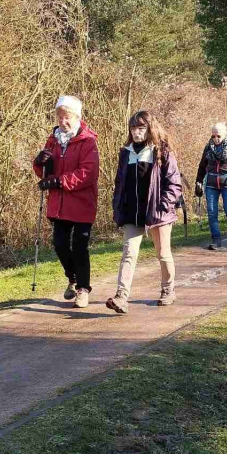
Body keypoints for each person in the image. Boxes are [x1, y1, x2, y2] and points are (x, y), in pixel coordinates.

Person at [105, 111, 183, 314]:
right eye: (133, 128)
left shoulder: (162, 151)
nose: (136, 132)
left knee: (163, 254)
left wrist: (163, 205)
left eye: (141, 128)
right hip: (132, 214)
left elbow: (174, 183)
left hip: (158, 214)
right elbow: (119, 184)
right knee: (128, 254)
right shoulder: (126, 152)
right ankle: (121, 297)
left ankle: (168, 290)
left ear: (149, 129)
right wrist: (117, 207)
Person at [33, 95, 100, 308]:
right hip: (59, 203)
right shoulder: (53, 140)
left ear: (77, 117)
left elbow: (88, 173)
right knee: (60, 244)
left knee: (80, 246)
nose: (63, 121)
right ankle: (72, 278)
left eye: (67, 117)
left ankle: (83, 289)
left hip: (81, 202)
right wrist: (39, 163)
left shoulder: (88, 140)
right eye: (60, 117)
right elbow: (44, 172)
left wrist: (59, 182)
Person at [194, 122, 227, 250]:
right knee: (212, 213)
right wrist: (198, 182)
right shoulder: (208, 147)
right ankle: (216, 240)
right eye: (213, 136)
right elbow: (202, 166)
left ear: (224, 135)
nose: (215, 139)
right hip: (211, 184)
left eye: (218, 136)